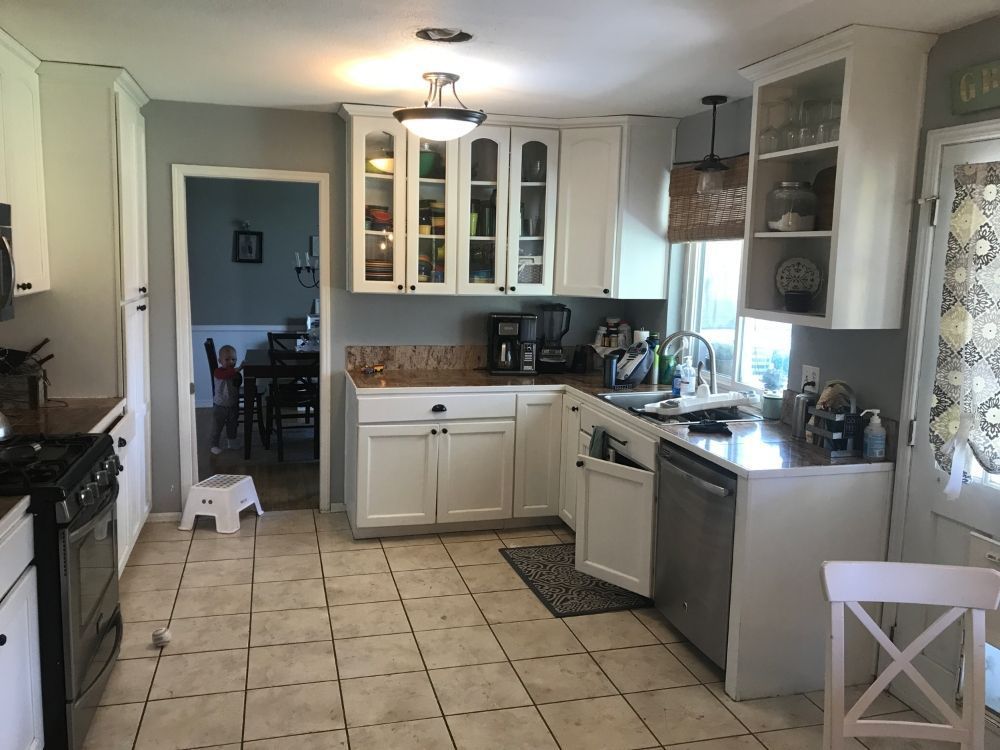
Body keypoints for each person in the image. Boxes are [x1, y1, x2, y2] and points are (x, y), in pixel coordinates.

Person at [210, 345, 242, 455]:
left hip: (232, 404)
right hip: (220, 405)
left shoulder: (235, 372)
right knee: (217, 427)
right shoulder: (218, 372)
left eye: (234, 359)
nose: (231, 362)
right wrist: (237, 370)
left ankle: (231, 442)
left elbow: (237, 383)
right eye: (227, 359)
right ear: (220, 361)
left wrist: (238, 374)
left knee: (232, 425)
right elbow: (226, 375)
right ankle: (214, 444)